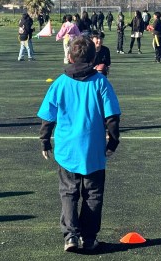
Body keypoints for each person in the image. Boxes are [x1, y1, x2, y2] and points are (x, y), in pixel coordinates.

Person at [37, 36, 121, 252]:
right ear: (94, 58)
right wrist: (113, 142)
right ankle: (89, 238)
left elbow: (48, 116)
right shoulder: (100, 82)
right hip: (93, 151)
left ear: (69, 56)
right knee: (93, 194)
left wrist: (45, 140)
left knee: (68, 192)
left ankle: (71, 236)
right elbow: (112, 117)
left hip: (67, 150)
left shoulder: (60, 82)